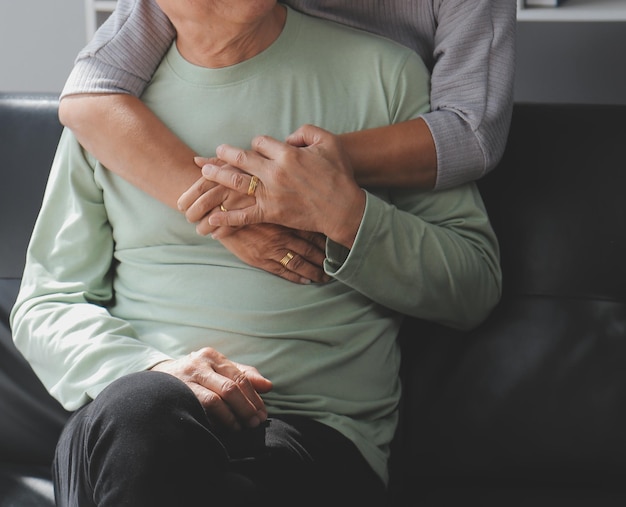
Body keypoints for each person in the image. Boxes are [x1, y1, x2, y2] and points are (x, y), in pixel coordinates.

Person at [11, 1, 502, 505]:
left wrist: (347, 215)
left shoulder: (386, 74)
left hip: (308, 437)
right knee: (144, 410)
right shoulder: (109, 111)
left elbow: (473, 286)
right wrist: (152, 369)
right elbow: (46, 304)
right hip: (129, 427)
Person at [59, 0, 516, 285]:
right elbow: (89, 96)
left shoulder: (391, 75)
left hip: (387, 155)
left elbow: (473, 134)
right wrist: (232, 211)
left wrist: (296, 175)